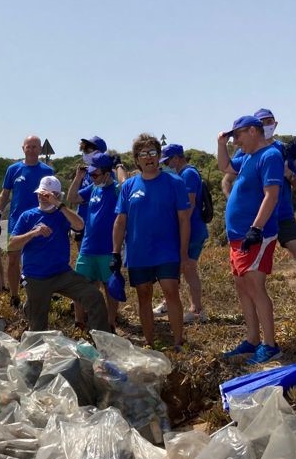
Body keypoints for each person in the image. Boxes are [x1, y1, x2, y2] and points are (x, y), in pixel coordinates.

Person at [112, 134, 191, 349]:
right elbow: (120, 221)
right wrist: (115, 253)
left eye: (152, 153)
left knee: (170, 291)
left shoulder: (174, 181)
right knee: (144, 295)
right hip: (139, 252)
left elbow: (184, 220)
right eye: (143, 154)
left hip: (167, 250)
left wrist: (184, 254)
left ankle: (178, 341)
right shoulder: (129, 186)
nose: (148, 158)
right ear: (137, 159)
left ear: (159, 156)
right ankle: (149, 342)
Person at [216, 116, 284, 365]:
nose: (236, 140)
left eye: (239, 135)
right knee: (242, 287)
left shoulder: (270, 156)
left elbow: (271, 195)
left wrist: (256, 227)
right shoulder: (246, 157)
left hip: (256, 235)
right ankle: (252, 339)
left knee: (256, 287)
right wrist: (221, 143)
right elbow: (225, 167)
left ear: (254, 131)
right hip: (238, 235)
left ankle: (270, 345)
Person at [8, 175, 110, 333]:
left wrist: (59, 205)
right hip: (36, 276)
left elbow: (80, 225)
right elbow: (12, 243)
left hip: (62, 273)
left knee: (94, 296)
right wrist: (33, 233)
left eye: (48, 194)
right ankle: (35, 347)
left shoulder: (62, 215)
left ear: (57, 196)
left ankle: (103, 341)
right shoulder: (27, 216)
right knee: (38, 325)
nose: (42, 197)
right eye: (41, 193)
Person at [67, 151, 128, 328]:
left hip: (108, 249)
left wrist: (119, 166)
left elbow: (125, 184)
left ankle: (110, 324)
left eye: (95, 174)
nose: (92, 177)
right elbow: (72, 198)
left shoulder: (116, 189)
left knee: (110, 289)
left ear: (107, 174)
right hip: (87, 248)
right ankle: (80, 323)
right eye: (90, 174)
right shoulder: (93, 188)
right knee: (80, 286)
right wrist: (79, 177)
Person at [0, 136, 55, 308]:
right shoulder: (13, 169)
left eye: (35, 147)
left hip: (40, 220)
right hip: (17, 221)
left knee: (39, 258)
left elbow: (54, 196)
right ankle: (14, 295)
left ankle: (41, 294)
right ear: (23, 148)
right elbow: (5, 194)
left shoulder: (47, 171)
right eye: (28, 146)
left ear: (40, 149)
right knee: (13, 259)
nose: (32, 149)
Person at [158, 143, 209, 324]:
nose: (166, 164)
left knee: (187, 268)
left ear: (177, 157)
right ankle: (174, 304)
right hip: (193, 229)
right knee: (183, 268)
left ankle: (196, 310)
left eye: (168, 160)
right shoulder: (185, 174)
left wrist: (178, 228)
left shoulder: (188, 174)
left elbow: (189, 204)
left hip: (192, 230)